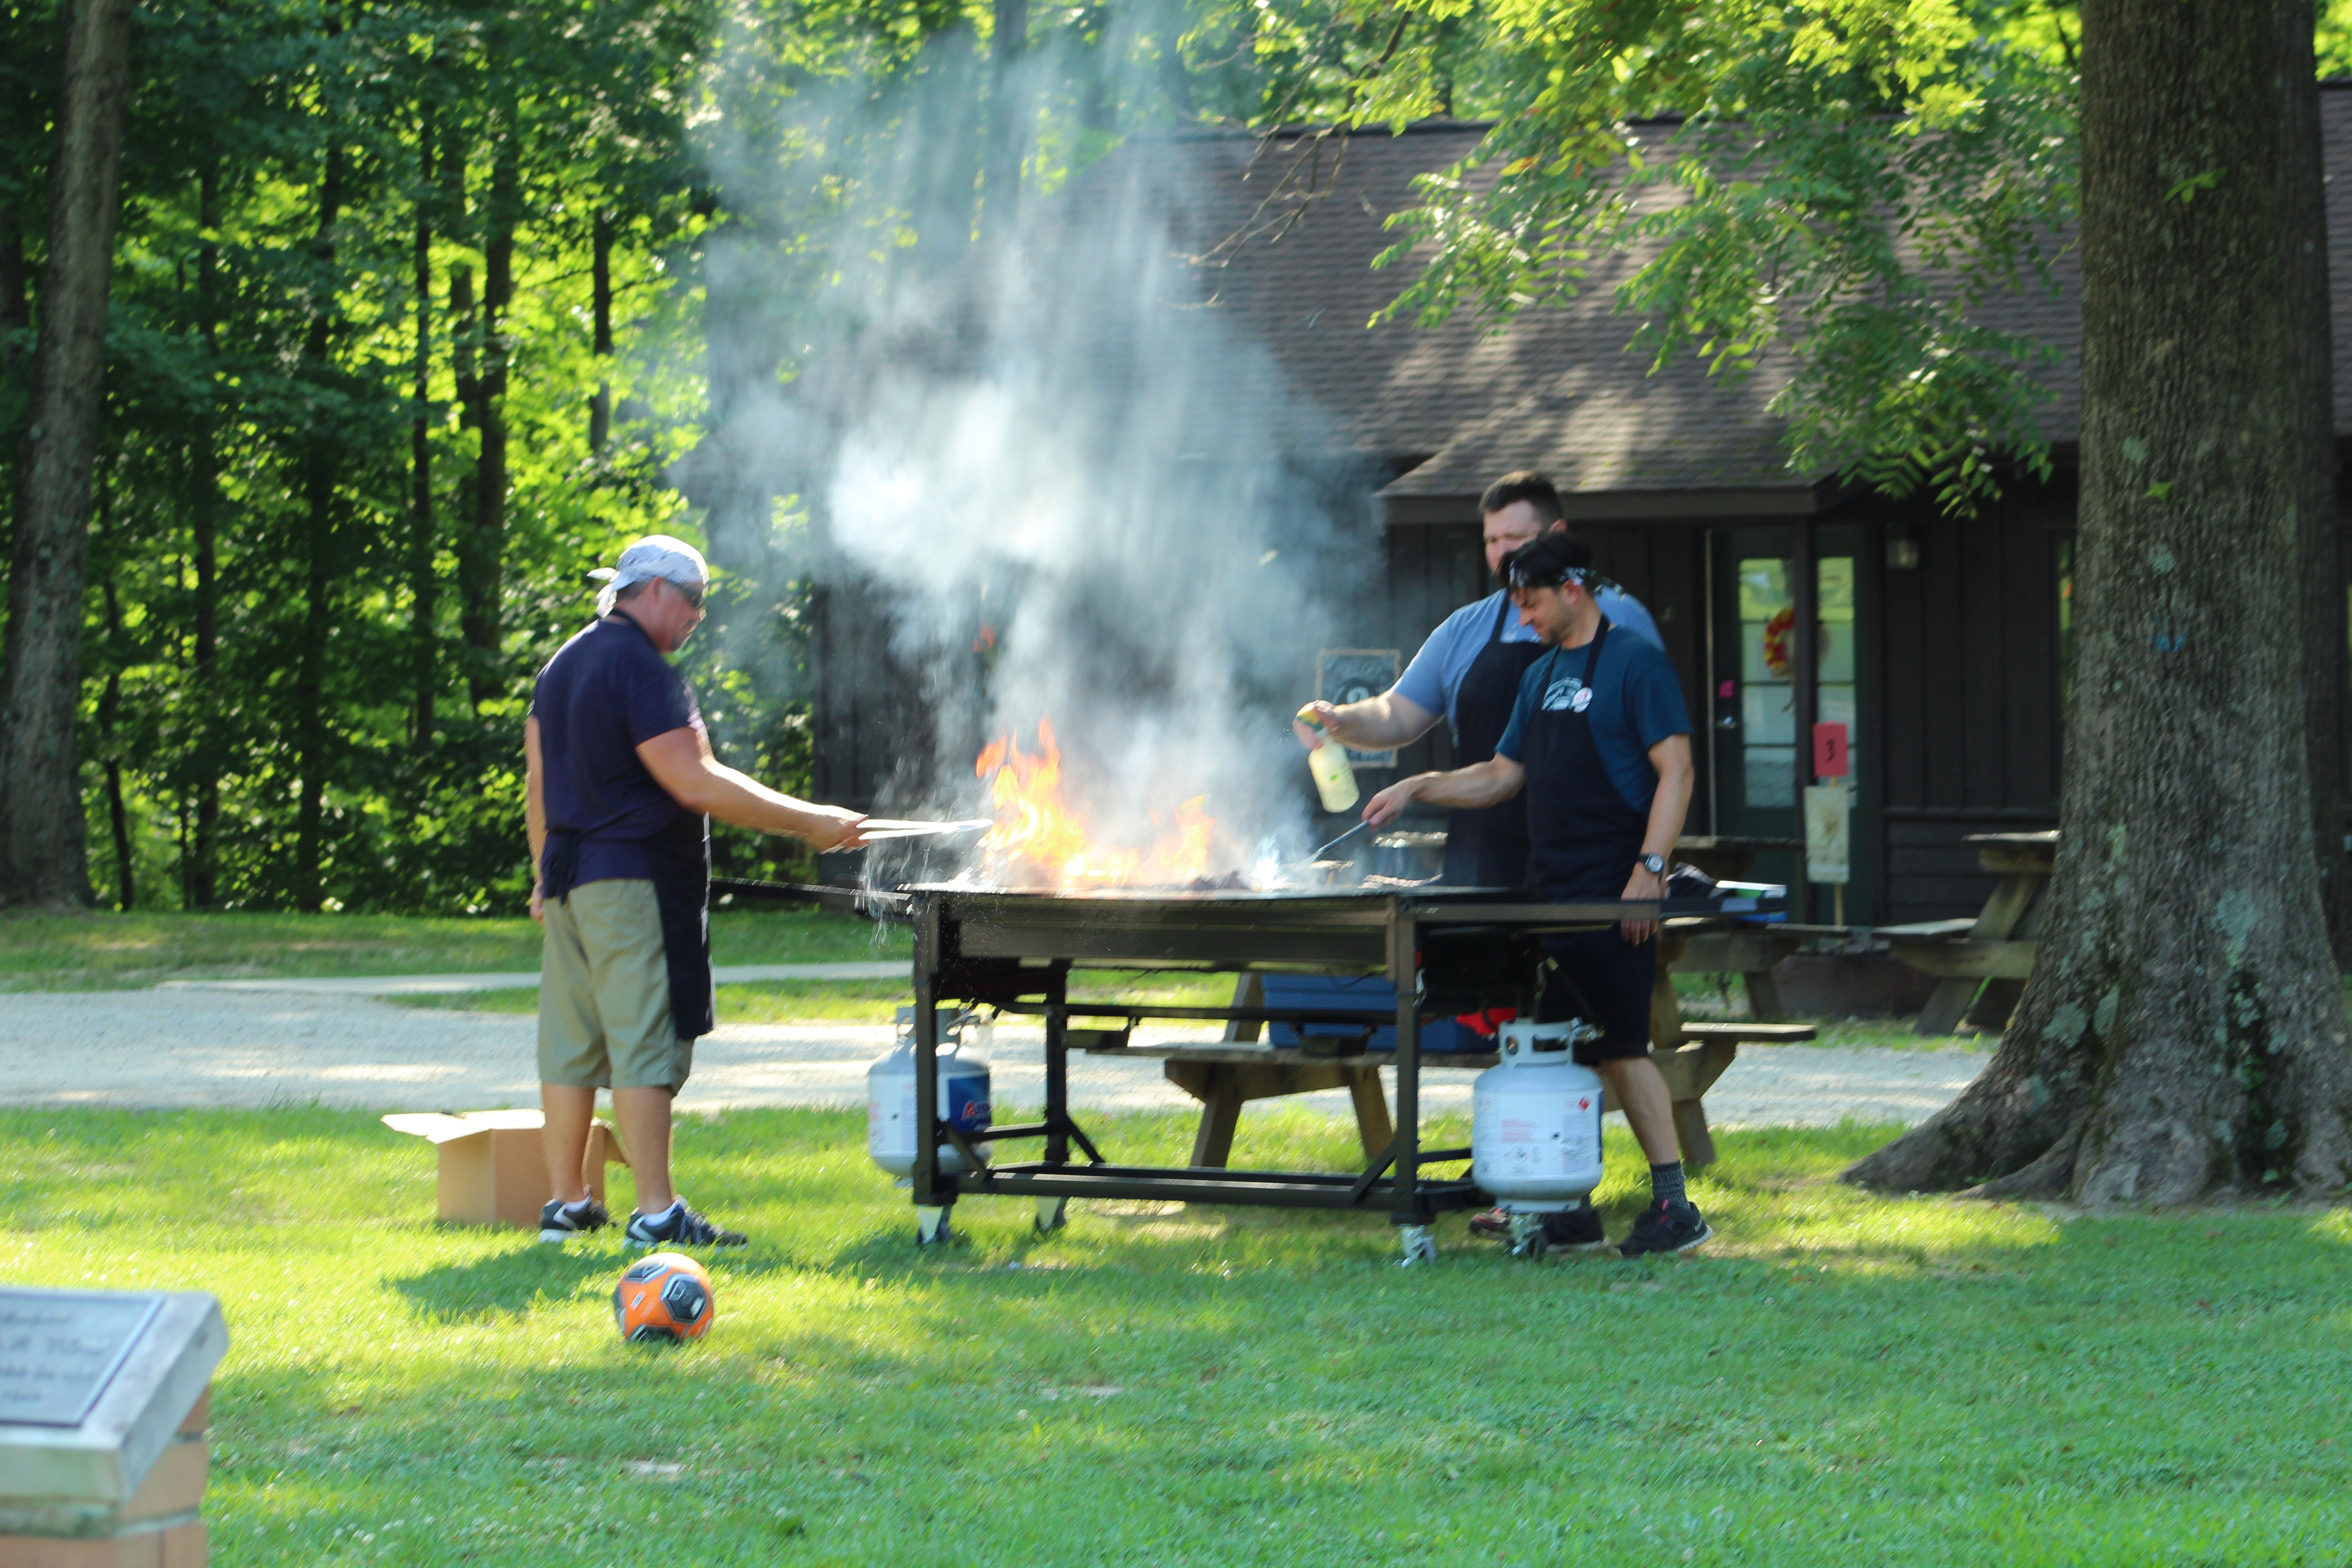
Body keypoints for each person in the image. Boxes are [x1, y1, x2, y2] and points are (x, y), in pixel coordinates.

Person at [1361, 531, 1709, 1258]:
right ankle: (1569, 1209)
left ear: (1573, 590)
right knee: (1556, 1051)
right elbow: (1500, 776)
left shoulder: (1635, 664)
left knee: (1619, 1047)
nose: (1523, 618)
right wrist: (1418, 785)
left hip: (1615, 892)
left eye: (1533, 602)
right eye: (1518, 604)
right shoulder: (1541, 674)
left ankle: (1676, 1206)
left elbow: (1676, 772)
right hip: (1552, 891)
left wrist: (1650, 869)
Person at [526, 535, 867, 1249]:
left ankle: (568, 1206)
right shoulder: (641, 669)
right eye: (693, 603)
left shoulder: (562, 665)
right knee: (643, 1047)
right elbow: (695, 781)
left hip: (569, 884)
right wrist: (812, 824)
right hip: (632, 886)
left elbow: (538, 787)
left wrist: (541, 876)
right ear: (652, 590)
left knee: (571, 1049)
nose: (698, 619)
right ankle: (656, 1214)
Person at [1292, 471, 1661, 889]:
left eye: (1515, 538)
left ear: (1557, 534)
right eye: (1491, 541)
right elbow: (1396, 714)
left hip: (1598, 869)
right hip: (1483, 868)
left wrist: (1652, 864)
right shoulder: (1464, 629)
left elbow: (1666, 764)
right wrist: (1338, 719)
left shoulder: (1622, 621)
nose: (1502, 555)